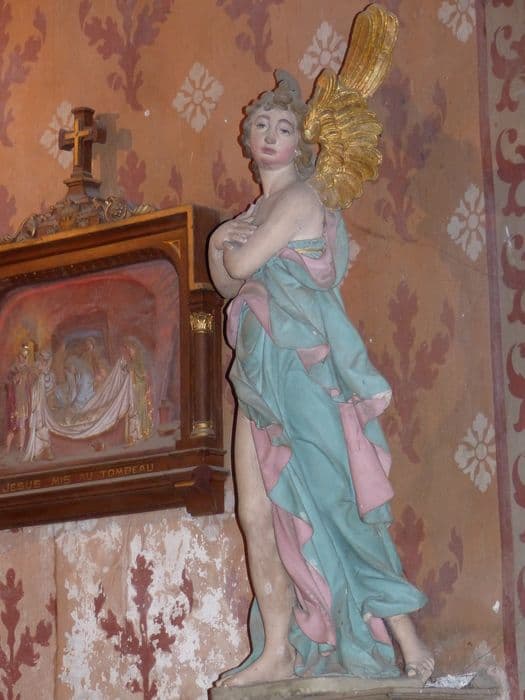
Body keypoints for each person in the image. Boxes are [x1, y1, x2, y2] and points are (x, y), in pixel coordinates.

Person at [208, 73, 435, 687]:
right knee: (256, 512)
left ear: (301, 146)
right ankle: (278, 648)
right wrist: (221, 243)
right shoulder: (257, 211)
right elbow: (226, 282)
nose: (270, 135)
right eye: (261, 125)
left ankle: (406, 634)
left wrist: (223, 244)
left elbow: (238, 264)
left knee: (337, 500)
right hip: (258, 376)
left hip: (302, 371)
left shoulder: (299, 201)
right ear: (247, 139)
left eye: (284, 127)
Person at [5, 341, 35, 455]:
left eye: (25, 356)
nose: (23, 358)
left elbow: (31, 383)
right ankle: (7, 449)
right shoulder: (14, 369)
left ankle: (21, 448)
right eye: (22, 356)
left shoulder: (28, 369)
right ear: (18, 357)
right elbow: (8, 382)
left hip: (23, 402)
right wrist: (14, 380)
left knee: (22, 426)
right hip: (15, 403)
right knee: (12, 426)